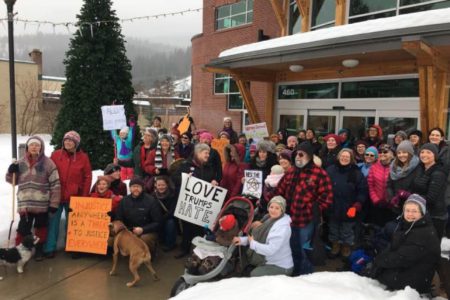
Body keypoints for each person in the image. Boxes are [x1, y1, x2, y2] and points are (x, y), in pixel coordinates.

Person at [272, 141, 333, 275]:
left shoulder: (319, 173)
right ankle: (294, 272)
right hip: (288, 218)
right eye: (295, 155)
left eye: (301, 154)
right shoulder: (291, 171)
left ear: (310, 156)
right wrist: (274, 202)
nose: (298, 157)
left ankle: (305, 277)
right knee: (290, 247)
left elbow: (327, 197)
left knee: (303, 250)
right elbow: (279, 190)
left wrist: (312, 209)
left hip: (306, 219)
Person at [371, 194, 440, 294]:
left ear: (422, 213)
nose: (410, 214)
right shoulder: (411, 225)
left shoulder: (423, 233)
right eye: (407, 210)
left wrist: (379, 261)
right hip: (411, 269)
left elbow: (402, 258)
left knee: (379, 273)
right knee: (377, 269)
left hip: (416, 279)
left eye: (414, 211)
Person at [6, 136, 61, 261]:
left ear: (41, 147)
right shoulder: (20, 163)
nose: (34, 147)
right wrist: (11, 172)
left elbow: (55, 184)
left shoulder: (48, 163)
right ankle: (18, 251)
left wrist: (54, 203)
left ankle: (39, 251)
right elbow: (12, 181)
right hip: (25, 204)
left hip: (42, 204)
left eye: (37, 145)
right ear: (27, 147)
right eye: (32, 145)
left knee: (41, 228)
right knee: (23, 229)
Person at [45, 131, 92, 258]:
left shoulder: (83, 157)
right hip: (57, 195)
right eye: (66, 140)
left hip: (74, 197)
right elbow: (46, 170)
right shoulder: (55, 155)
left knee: (73, 224)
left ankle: (72, 247)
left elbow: (87, 177)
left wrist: (83, 196)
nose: (67, 142)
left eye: (71, 141)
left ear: (76, 143)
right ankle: (49, 248)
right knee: (53, 222)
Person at [173, 143, 219, 258]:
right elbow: (174, 178)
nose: (208, 155)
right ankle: (184, 249)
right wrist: (184, 179)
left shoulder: (209, 167)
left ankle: (198, 252)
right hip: (189, 204)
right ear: (198, 153)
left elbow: (214, 178)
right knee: (187, 228)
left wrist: (214, 181)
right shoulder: (185, 165)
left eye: (208, 153)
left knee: (200, 229)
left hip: (202, 206)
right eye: (206, 153)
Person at [232, 196, 293, 277]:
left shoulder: (282, 228)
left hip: (280, 266)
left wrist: (253, 244)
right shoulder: (268, 218)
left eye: (277, 208)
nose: (273, 210)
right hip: (267, 260)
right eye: (271, 207)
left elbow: (270, 250)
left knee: (254, 275)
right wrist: (241, 240)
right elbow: (256, 238)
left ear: (282, 210)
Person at [326, 149, 366, 258]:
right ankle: (335, 247)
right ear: (338, 157)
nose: (344, 158)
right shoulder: (330, 170)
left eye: (347, 157)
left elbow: (362, 191)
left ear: (351, 159)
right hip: (333, 206)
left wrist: (357, 205)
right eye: (342, 156)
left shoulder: (356, 173)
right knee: (333, 229)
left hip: (349, 208)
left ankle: (346, 248)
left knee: (347, 231)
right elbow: (324, 187)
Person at [115, 177, 163, 254]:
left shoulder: (151, 201)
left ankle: (149, 253)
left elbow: (158, 222)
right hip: (129, 230)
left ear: (142, 188)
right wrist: (124, 231)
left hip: (147, 231)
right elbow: (118, 219)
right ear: (130, 188)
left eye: (138, 186)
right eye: (133, 186)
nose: (136, 189)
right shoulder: (124, 201)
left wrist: (143, 229)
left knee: (144, 239)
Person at [410, 143, 448, 239]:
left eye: (428, 152)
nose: (424, 154)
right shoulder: (421, 169)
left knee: (431, 246)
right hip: (422, 213)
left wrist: (411, 197)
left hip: (435, 216)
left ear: (435, 155)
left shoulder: (438, 173)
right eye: (422, 152)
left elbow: (431, 198)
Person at [386, 141, 420, 214]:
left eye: (404, 152)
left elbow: (418, 187)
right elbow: (389, 185)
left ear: (410, 153)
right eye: (399, 153)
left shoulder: (417, 167)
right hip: (396, 206)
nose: (401, 155)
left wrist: (406, 195)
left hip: (411, 207)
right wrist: (392, 198)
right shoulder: (393, 166)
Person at [367, 144, 395, 226]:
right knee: (377, 227)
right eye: (380, 152)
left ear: (391, 153)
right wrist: (375, 199)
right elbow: (370, 185)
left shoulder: (396, 166)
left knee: (390, 227)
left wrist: (393, 200)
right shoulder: (374, 167)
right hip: (377, 203)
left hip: (392, 204)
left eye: (385, 152)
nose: (382, 154)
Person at [151, 176, 178, 252]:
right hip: (158, 217)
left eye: (163, 185)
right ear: (155, 185)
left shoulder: (173, 194)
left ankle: (170, 244)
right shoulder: (153, 195)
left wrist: (161, 219)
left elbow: (172, 211)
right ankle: (160, 240)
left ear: (167, 185)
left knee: (170, 223)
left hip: (168, 217)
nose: (161, 187)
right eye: (159, 185)